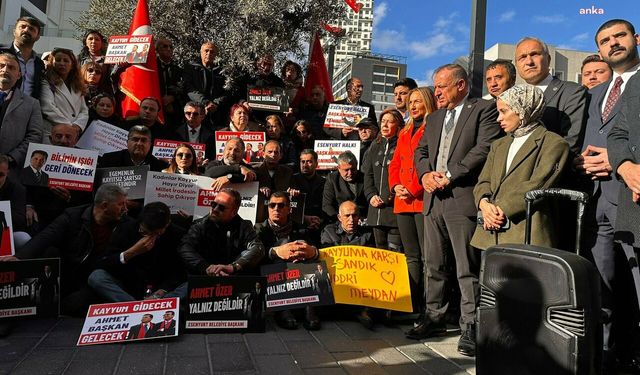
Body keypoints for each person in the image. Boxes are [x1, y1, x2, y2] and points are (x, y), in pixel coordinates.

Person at [409, 64, 502, 357]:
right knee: (433, 264)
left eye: (442, 87)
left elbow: (484, 148)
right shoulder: (434, 117)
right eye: (435, 87)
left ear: (461, 85)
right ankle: (434, 317)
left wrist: (448, 175)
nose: (436, 92)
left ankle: (471, 326)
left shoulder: (483, 110)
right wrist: (425, 175)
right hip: (433, 200)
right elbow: (420, 152)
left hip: (461, 198)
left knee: (467, 267)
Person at [577, 19, 640, 372]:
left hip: (631, 196)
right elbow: (590, 140)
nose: (613, 43)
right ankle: (605, 355)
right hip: (596, 200)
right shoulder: (597, 93)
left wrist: (616, 162)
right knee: (602, 285)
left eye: (620, 36)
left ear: (636, 39)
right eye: (605, 40)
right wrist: (583, 161)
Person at [471, 85, 569, 249]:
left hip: (526, 233)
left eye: (504, 111)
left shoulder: (553, 143)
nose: (498, 118)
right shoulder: (499, 144)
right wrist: (483, 204)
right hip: (490, 234)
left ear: (522, 109)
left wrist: (498, 209)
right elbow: (483, 181)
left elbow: (539, 185)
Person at [17, 184, 131, 315]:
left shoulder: (125, 224)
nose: (125, 209)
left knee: (77, 303)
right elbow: (46, 236)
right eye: (121, 205)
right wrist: (19, 257)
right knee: (50, 251)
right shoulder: (73, 216)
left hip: (99, 277)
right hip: (74, 272)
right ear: (105, 206)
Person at [389, 87, 437, 316]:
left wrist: (413, 188)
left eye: (418, 101)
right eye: (411, 103)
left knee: (428, 256)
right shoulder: (404, 131)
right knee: (411, 256)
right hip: (402, 201)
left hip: (421, 199)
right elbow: (395, 164)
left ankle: (430, 306)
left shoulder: (434, 127)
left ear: (427, 102)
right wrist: (395, 186)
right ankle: (413, 303)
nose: (414, 106)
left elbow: (433, 163)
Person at [88, 202, 187, 302]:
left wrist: (162, 291)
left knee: (191, 285)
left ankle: (154, 306)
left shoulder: (177, 235)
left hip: (160, 290)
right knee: (97, 277)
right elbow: (104, 263)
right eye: (145, 232)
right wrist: (131, 252)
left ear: (167, 224)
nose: (150, 238)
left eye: (157, 234)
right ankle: (134, 307)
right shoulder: (126, 228)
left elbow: (179, 271)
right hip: (130, 286)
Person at [255, 191, 320, 330]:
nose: (276, 209)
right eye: (272, 205)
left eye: (281, 205)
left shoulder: (301, 229)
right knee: (279, 258)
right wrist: (276, 252)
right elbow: (255, 254)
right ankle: (283, 310)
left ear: (289, 209)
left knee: (308, 260)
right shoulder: (258, 229)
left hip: (298, 272)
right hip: (271, 274)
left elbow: (316, 252)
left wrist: (311, 252)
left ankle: (309, 307)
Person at [514, 36, 587, 155]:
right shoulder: (513, 98)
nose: (529, 62)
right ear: (517, 65)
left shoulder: (572, 92)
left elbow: (570, 142)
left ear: (548, 59)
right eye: (522, 57)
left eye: (534, 54)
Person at [178, 188, 265, 277]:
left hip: (232, 278)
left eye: (222, 207)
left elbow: (258, 248)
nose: (215, 209)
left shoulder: (244, 226)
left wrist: (233, 267)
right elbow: (185, 248)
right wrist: (206, 268)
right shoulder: (200, 225)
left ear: (234, 212)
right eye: (213, 204)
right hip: (204, 278)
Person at [320, 200, 377, 328]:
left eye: (354, 215)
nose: (351, 219)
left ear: (359, 217)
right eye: (347, 216)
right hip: (338, 279)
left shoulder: (367, 234)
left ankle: (364, 311)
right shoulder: (329, 231)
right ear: (339, 217)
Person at [363, 109, 401, 251]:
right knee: (380, 255)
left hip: (394, 211)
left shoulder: (401, 144)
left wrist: (388, 197)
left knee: (394, 254)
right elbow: (368, 174)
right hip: (375, 211)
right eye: (383, 121)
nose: (385, 125)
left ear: (398, 125)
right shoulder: (375, 145)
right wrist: (371, 196)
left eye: (389, 122)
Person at [0, 52, 44, 174]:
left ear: (19, 75)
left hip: (10, 171)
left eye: (11, 67)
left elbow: (35, 135)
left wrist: (11, 158)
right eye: (1, 65)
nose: (5, 70)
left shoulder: (31, 104)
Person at [40, 48, 89, 140]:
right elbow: (48, 107)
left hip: (73, 134)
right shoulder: (46, 81)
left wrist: (77, 125)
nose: (62, 63)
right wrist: (69, 126)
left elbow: (84, 110)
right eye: (58, 60)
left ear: (72, 65)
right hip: (53, 131)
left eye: (66, 61)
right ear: (52, 62)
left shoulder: (77, 84)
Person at [183, 41, 227, 129]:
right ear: (201, 52)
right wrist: (205, 103)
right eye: (206, 51)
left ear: (216, 54)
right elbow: (189, 88)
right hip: (196, 112)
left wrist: (215, 104)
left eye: (212, 51)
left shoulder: (222, 71)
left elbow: (227, 90)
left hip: (217, 114)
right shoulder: (191, 68)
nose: (209, 53)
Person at [0, 16, 45, 99]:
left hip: (28, 109)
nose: (26, 30)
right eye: (22, 27)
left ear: (38, 37)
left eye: (31, 29)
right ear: (14, 31)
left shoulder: (39, 63)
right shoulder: (1, 52)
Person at [255, 141, 295, 223]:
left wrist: (292, 192)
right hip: (259, 218)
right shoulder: (254, 171)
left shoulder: (288, 172)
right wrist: (259, 189)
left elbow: (292, 194)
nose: (273, 155)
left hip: (281, 218)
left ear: (281, 155)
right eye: (270, 152)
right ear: (263, 153)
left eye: (276, 152)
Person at [98, 125, 168, 172]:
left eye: (143, 140)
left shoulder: (160, 167)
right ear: (127, 142)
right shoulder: (109, 160)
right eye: (135, 139)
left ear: (150, 145)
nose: (139, 143)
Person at [322, 151, 368, 221]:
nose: (350, 173)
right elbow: (327, 205)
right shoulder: (332, 179)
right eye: (346, 170)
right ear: (338, 168)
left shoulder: (365, 177)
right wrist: (342, 220)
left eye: (353, 169)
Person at [292, 149, 326, 242]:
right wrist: (305, 218)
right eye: (302, 162)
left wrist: (319, 220)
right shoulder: (292, 180)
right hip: (297, 225)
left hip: (320, 224)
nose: (305, 165)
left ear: (316, 163)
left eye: (309, 162)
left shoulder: (325, 182)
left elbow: (327, 204)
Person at [156, 38, 183, 128]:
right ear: (157, 50)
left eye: (171, 47)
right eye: (165, 46)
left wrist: (173, 97)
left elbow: (183, 88)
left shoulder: (178, 69)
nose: (169, 49)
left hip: (174, 112)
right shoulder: (152, 67)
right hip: (156, 110)